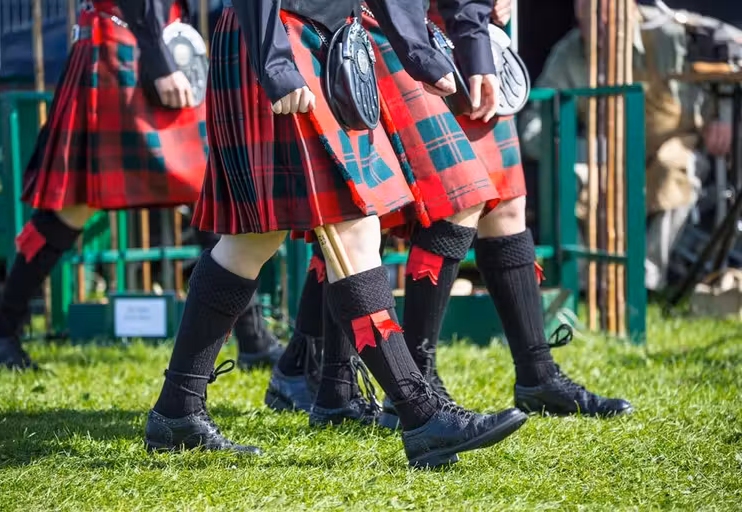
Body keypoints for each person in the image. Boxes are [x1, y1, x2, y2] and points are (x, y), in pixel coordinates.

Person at [143, 0, 528, 468]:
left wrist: (418, 52)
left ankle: (177, 409)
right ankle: (420, 414)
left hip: (322, 39)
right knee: (352, 229)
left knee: (255, 240)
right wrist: (274, 59)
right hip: (279, 35)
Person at [267, 0, 634, 426]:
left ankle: (536, 372)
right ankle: (380, 382)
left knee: (504, 203)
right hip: (400, 27)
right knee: (389, 210)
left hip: (458, 28)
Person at [0, 0, 282, 370]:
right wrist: (159, 58)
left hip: (139, 39)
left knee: (205, 188)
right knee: (78, 204)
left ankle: (253, 338)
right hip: (129, 43)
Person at [519, 0, 734, 292]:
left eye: (603, 16)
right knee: (570, 177)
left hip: (673, 143)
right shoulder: (570, 53)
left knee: (675, 171)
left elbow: (726, 64)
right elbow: (534, 123)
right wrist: (572, 147)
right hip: (606, 156)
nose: (595, 27)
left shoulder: (668, 33)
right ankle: (585, 283)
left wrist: (723, 116)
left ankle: (645, 282)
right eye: (585, 18)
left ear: (628, 9)